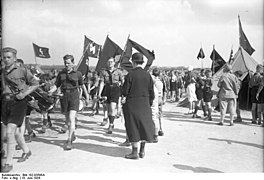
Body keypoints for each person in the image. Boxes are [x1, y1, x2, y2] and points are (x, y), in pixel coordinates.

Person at [1, 47, 39, 172]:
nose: (6, 59)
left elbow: (35, 83)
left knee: (10, 131)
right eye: (4, 57)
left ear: (14, 58)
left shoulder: (22, 71)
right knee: (17, 133)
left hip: (19, 102)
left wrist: (24, 94)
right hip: (5, 103)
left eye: (9, 57)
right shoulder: (2, 72)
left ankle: (8, 163)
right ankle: (27, 151)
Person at [48, 54, 89, 150]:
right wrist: (51, 91)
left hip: (74, 96)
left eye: (69, 63)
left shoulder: (78, 74)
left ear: (73, 63)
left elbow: (82, 86)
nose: (67, 65)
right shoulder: (61, 74)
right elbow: (56, 85)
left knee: (71, 118)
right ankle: (73, 134)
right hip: (64, 97)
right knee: (67, 119)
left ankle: (69, 140)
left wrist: (87, 97)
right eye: (65, 63)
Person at [122, 52, 155, 159]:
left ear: (134, 62)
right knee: (144, 127)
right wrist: (148, 103)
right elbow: (152, 92)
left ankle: (134, 152)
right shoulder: (148, 75)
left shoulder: (130, 75)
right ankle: (142, 151)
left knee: (133, 127)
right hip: (145, 103)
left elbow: (125, 91)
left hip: (132, 104)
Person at [97, 57, 124, 134]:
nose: (110, 63)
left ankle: (111, 125)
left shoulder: (119, 71)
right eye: (108, 62)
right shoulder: (103, 72)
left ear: (114, 63)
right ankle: (110, 121)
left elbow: (123, 82)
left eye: (111, 62)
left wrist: (123, 92)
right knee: (108, 108)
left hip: (115, 89)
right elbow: (102, 82)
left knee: (112, 108)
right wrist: (99, 93)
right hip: (107, 89)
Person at [151, 68, 164, 143]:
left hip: (155, 99)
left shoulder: (154, 82)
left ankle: (155, 132)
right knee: (160, 114)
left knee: (154, 115)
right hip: (160, 98)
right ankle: (161, 128)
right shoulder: (161, 82)